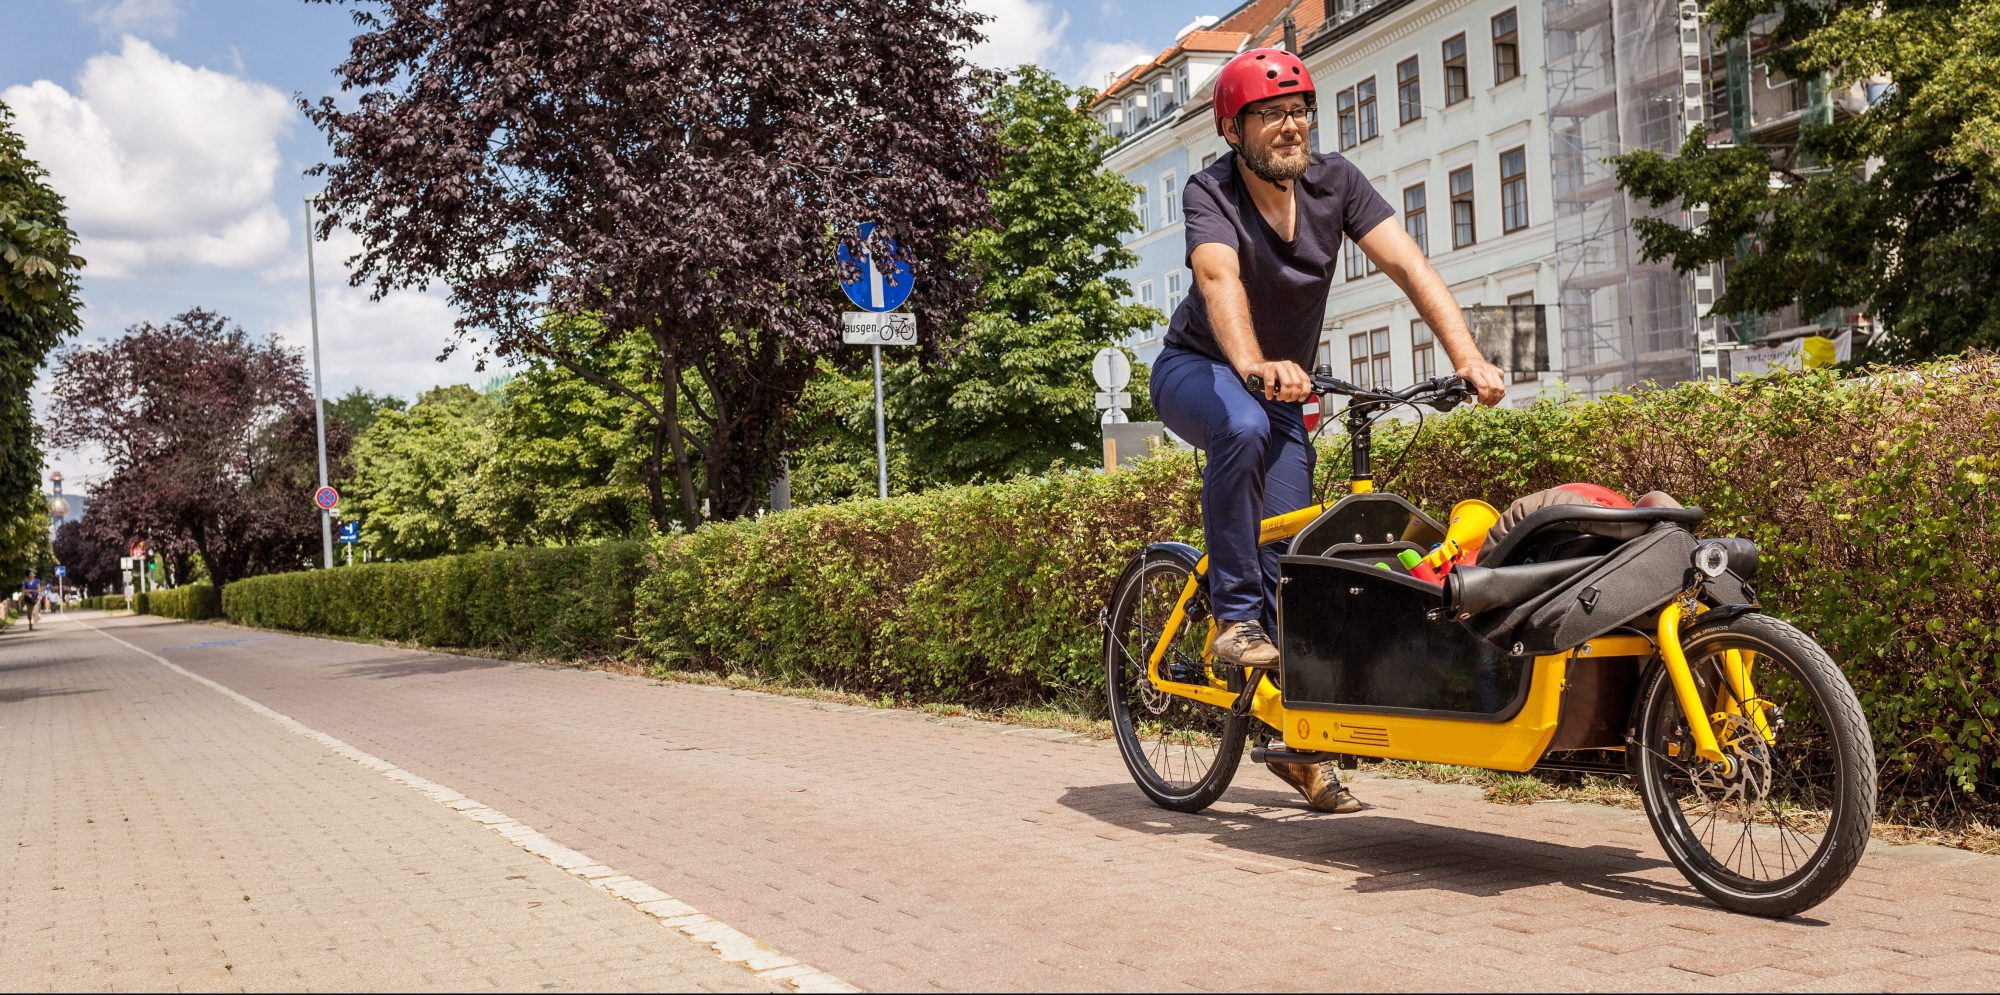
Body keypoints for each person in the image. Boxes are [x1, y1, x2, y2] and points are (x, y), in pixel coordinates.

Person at [1147, 48, 1509, 813]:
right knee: (1242, 427)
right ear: (1233, 128)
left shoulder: (1337, 182)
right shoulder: (1209, 190)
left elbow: (1411, 266)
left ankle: (1298, 743)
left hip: (1281, 386)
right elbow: (1219, 278)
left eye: (1300, 109)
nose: (1292, 125)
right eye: (1271, 113)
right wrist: (1251, 363)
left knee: (1298, 556)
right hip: (1199, 370)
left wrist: (1469, 357)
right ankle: (1233, 619)